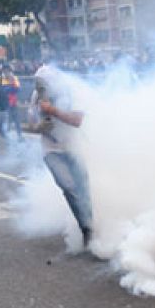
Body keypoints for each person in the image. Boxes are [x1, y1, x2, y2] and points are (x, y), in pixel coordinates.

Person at [29, 65, 93, 247]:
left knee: (83, 189)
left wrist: (53, 111)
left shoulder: (72, 93)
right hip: (51, 149)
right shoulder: (36, 97)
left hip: (73, 147)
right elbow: (31, 122)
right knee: (68, 186)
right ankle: (87, 228)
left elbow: (77, 120)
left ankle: (91, 224)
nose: (42, 89)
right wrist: (38, 127)